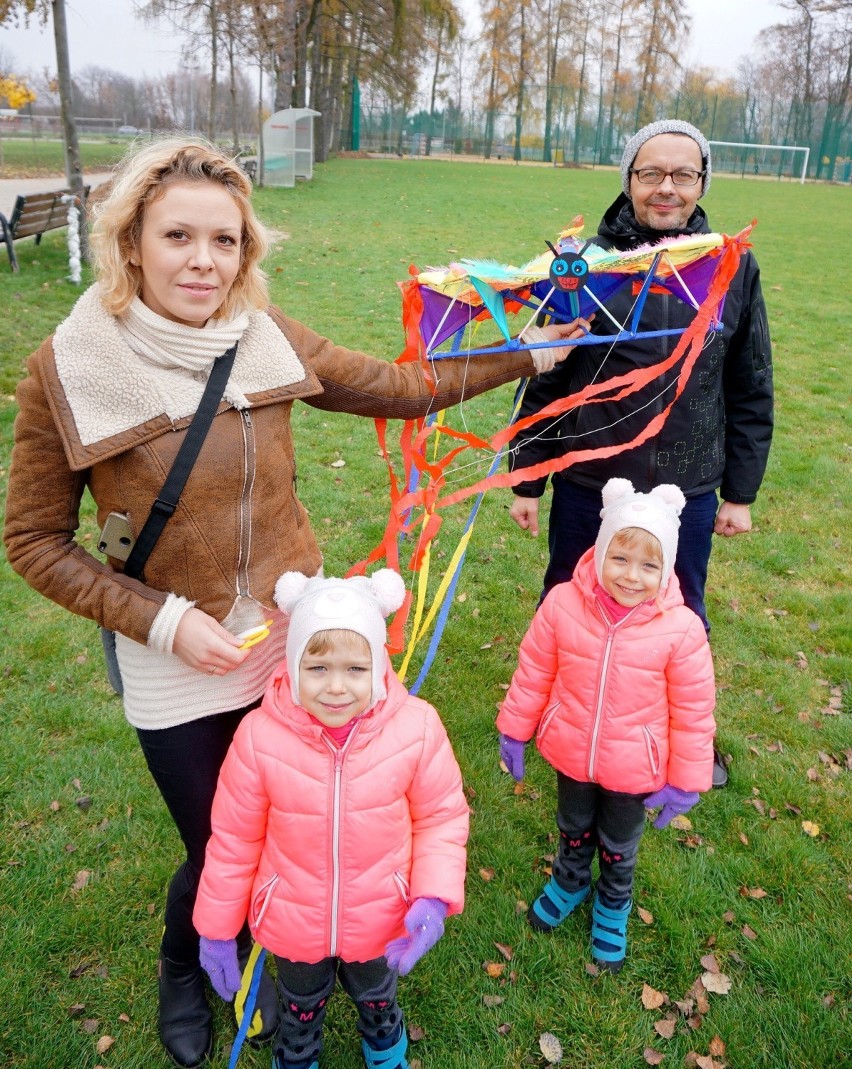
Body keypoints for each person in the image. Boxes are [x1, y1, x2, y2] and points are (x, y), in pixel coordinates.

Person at [2, 137, 585, 1068]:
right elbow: (33, 540)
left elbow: (399, 386)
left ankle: (287, 948)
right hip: (173, 655)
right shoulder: (68, 365)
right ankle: (186, 963)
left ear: (247, 250)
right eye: (179, 236)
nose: (205, 260)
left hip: (293, 638)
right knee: (216, 838)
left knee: (288, 820)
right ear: (132, 243)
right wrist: (162, 620)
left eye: (225, 241)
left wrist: (526, 356)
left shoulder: (262, 335)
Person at [507, 120, 773, 786]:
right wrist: (527, 477)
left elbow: (751, 379)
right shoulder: (587, 265)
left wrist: (740, 491)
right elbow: (547, 374)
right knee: (569, 603)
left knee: (680, 617)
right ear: (628, 179)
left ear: (702, 182)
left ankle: (687, 739)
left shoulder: (731, 264)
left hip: (689, 485)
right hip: (590, 479)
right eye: (651, 172)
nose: (666, 188)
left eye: (683, 174)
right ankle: (552, 717)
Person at [193, 568, 468, 1069]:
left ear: (380, 666)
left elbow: (441, 818)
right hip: (294, 917)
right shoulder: (258, 738)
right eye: (317, 669)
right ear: (292, 665)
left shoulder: (418, 729)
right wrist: (217, 927)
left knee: (376, 989)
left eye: (355, 669)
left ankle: (384, 1034)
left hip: (381, 913)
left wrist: (433, 894)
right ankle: (299, 1045)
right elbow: (234, 840)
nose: (336, 688)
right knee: (301, 997)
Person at [497, 478, 716, 973]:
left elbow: (694, 710)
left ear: (666, 570)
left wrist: (687, 777)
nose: (631, 576)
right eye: (619, 558)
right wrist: (516, 726)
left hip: (635, 767)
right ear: (598, 550)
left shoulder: (679, 631)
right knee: (573, 824)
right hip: (571, 750)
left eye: (648, 565)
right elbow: (534, 672)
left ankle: (613, 904)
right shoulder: (561, 606)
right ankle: (570, 880)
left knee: (619, 842)